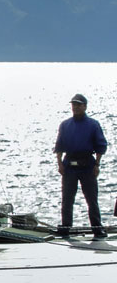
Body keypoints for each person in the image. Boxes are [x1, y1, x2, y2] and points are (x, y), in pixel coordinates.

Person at [54, 93, 108, 239]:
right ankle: (65, 227)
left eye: (78, 105)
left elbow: (100, 146)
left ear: (85, 106)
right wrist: (59, 163)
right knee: (67, 199)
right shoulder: (65, 125)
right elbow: (59, 146)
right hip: (69, 165)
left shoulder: (93, 124)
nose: (76, 107)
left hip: (87, 165)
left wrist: (97, 164)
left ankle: (97, 228)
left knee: (91, 198)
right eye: (74, 105)